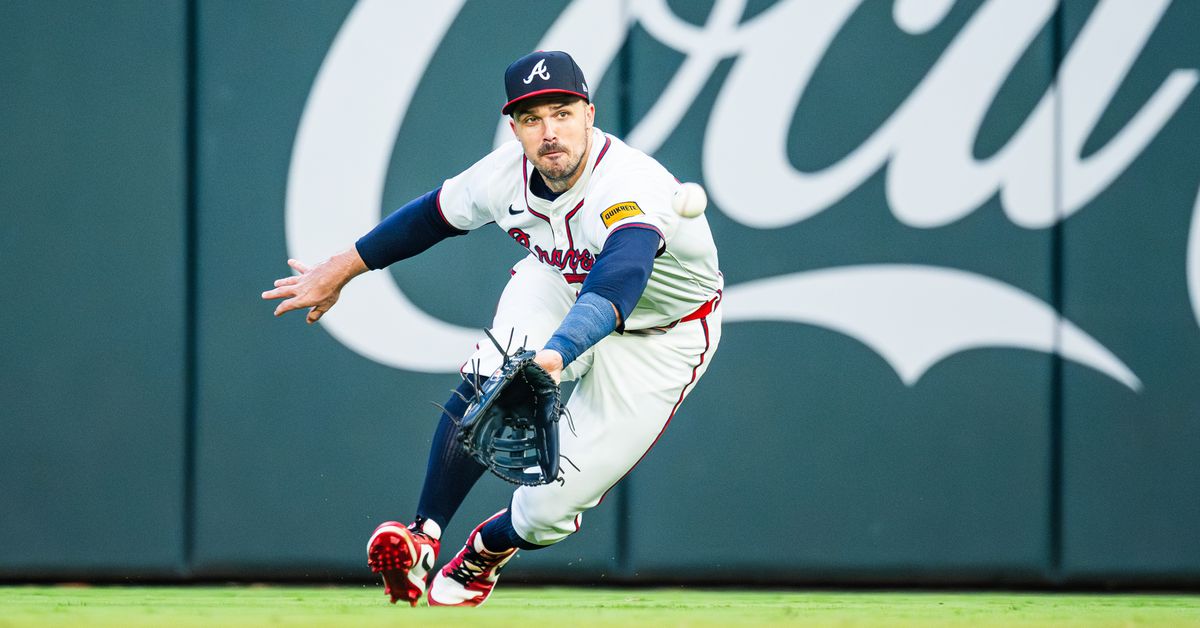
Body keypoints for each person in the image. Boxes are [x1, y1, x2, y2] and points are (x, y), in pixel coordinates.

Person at [262, 50, 722, 607]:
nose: (549, 132)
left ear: (589, 114)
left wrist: (556, 355)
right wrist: (341, 269)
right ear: (515, 127)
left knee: (548, 509)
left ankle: (487, 549)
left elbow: (618, 281)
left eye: (562, 112)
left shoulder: (629, 184)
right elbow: (430, 217)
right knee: (496, 377)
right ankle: (421, 536)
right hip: (557, 282)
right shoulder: (506, 173)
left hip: (663, 335)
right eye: (531, 119)